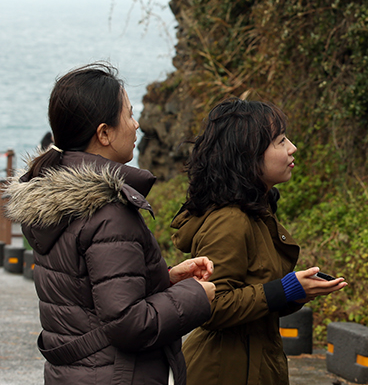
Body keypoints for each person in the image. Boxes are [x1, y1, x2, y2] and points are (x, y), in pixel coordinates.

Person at [3, 62, 216, 385]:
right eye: (129, 115)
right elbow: (129, 323)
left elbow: (88, 293)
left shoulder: (57, 198)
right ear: (103, 133)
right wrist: (197, 295)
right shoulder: (107, 211)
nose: (137, 124)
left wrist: (166, 278)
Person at [170, 97, 347, 385]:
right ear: (247, 155)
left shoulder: (257, 212)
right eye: (280, 141)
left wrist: (296, 293)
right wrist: (285, 289)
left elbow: (257, 293)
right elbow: (212, 307)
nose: (293, 147)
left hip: (254, 364)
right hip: (221, 371)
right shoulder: (230, 220)